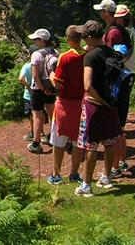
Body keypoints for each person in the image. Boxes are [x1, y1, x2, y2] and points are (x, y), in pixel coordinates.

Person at [74, 20, 123, 197]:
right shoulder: (111, 52)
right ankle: (106, 177)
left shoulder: (90, 56)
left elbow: (87, 84)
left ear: (88, 38)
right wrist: (107, 101)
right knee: (109, 142)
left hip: (94, 105)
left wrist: (98, 99)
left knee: (91, 146)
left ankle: (86, 185)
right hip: (111, 104)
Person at [94, 0, 132, 178]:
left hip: (114, 82)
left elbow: (109, 59)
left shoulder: (113, 33)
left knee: (115, 126)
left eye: (101, 11)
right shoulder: (119, 29)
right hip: (120, 79)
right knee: (119, 126)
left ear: (107, 13)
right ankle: (121, 161)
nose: (100, 14)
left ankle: (116, 166)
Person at [47, 26, 85, 185]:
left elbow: (57, 84)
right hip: (81, 102)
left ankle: (56, 174)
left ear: (68, 40)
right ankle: (74, 173)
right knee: (78, 141)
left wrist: (51, 75)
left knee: (58, 140)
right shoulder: (88, 55)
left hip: (64, 102)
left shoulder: (65, 57)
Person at [27, 28, 58, 154]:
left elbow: (35, 75)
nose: (34, 41)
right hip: (51, 88)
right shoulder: (55, 52)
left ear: (42, 40)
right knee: (52, 114)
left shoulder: (36, 54)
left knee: (38, 116)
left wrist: (42, 88)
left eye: (36, 39)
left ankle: (36, 143)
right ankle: (53, 138)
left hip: (38, 89)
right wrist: (49, 89)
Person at [18, 45, 38, 141]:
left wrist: (28, 86)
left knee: (30, 114)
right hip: (39, 92)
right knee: (39, 114)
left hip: (28, 94)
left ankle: (33, 132)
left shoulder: (26, 66)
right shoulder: (40, 64)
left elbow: (20, 79)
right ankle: (40, 132)